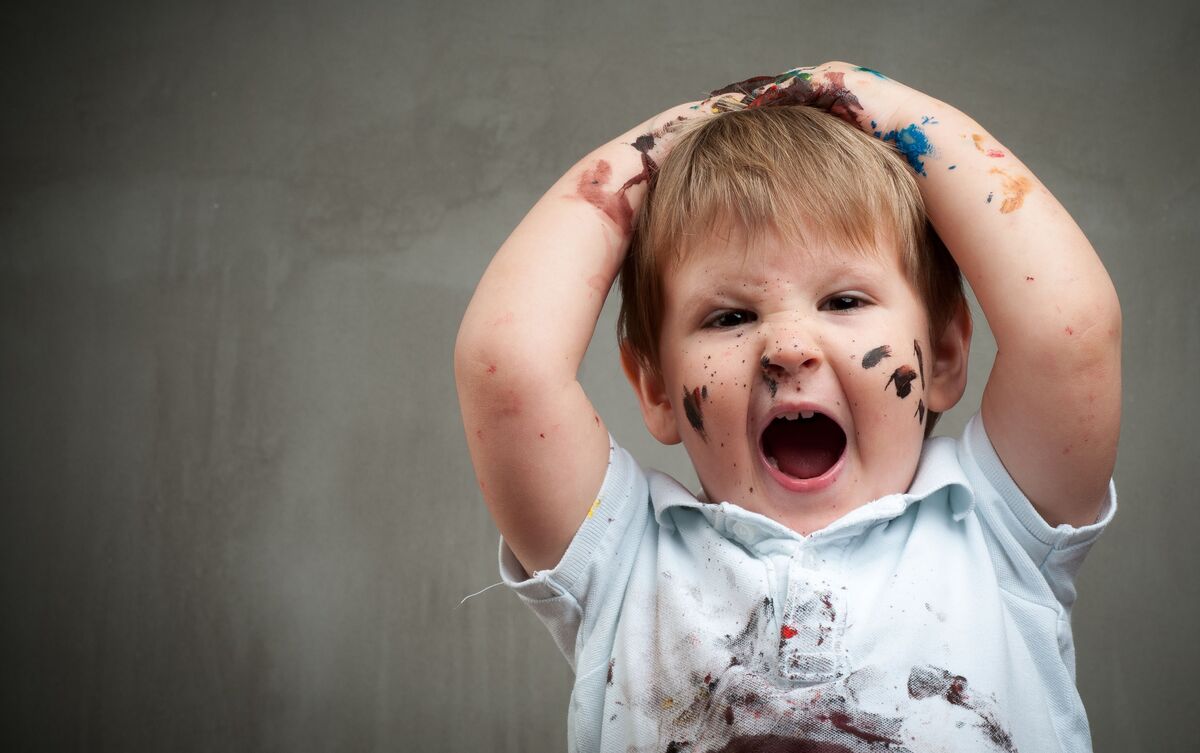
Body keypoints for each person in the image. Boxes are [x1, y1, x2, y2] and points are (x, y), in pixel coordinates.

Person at [455, 62, 1121, 752]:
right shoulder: (624, 557)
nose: (788, 347)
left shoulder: (997, 528)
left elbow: (1069, 330)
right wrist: (675, 136)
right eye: (729, 316)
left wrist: (864, 95)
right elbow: (508, 368)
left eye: (844, 301)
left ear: (944, 356)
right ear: (656, 387)